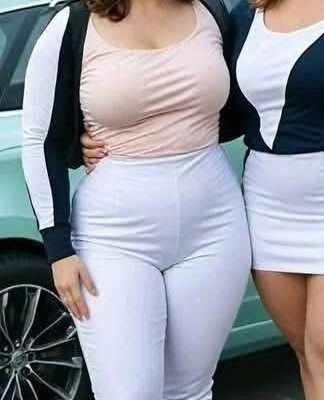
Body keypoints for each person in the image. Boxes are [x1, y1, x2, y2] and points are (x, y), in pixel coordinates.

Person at [82, 0, 324, 398]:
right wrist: (102, 136)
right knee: (310, 356)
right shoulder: (246, 15)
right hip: (269, 208)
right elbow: (208, 106)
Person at [21, 0, 251, 398]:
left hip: (215, 227)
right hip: (114, 237)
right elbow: (40, 140)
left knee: (191, 390)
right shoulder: (73, 23)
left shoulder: (210, 10)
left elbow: (247, 101)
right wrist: (58, 248)